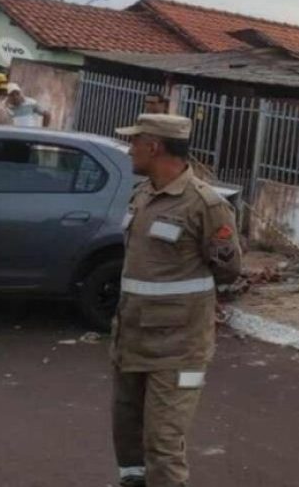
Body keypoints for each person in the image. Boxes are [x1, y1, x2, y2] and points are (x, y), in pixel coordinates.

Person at [109, 114, 242, 487]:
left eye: (135, 142)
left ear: (154, 147)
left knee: (163, 444)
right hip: (131, 341)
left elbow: (228, 269)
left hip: (178, 348)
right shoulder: (143, 194)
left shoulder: (205, 205)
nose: (129, 149)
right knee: (127, 436)